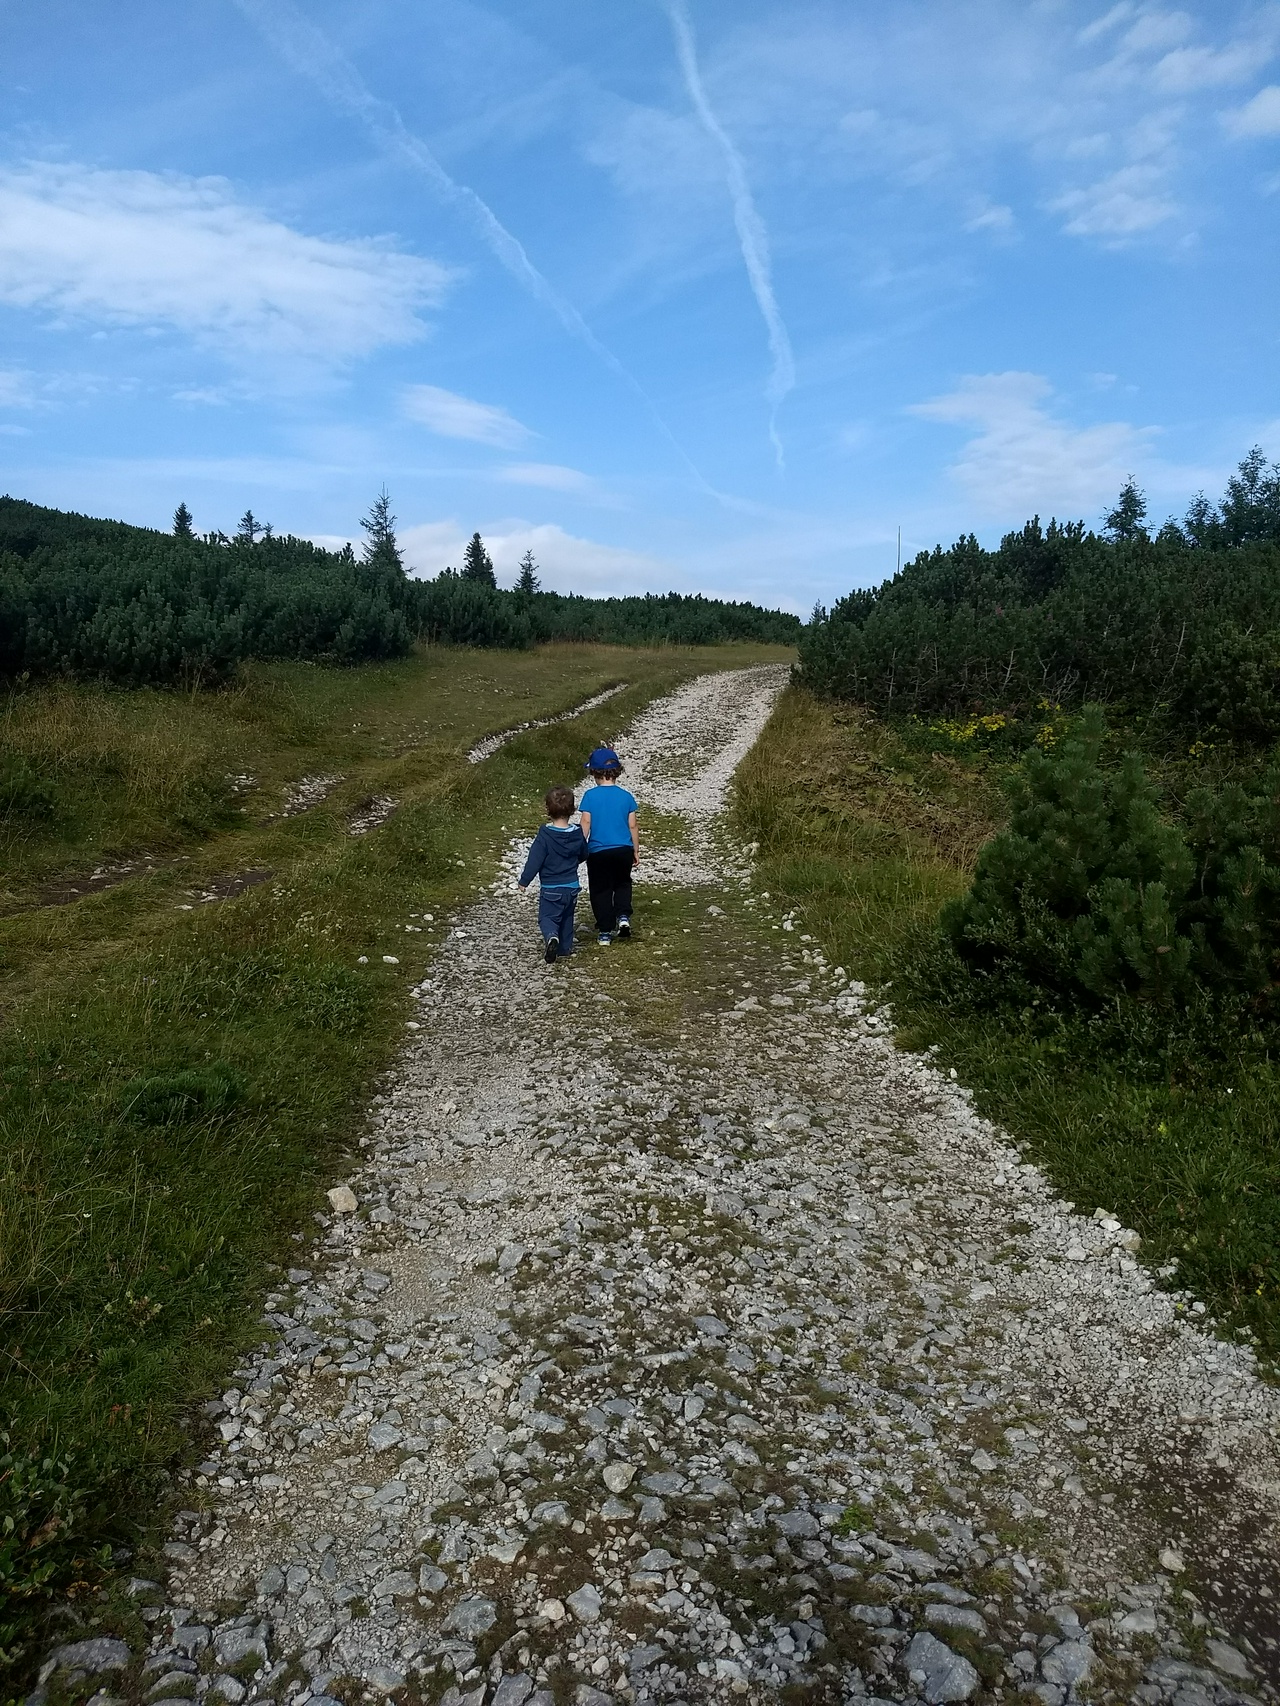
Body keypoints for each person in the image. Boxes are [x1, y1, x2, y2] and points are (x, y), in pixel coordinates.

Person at [518, 785, 586, 963]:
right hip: (571, 887)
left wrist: (524, 880)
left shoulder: (545, 835)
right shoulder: (578, 833)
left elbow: (535, 860)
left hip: (551, 888)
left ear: (547, 809)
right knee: (567, 917)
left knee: (547, 917)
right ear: (572, 809)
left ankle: (551, 937)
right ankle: (564, 948)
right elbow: (584, 854)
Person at [578, 745, 639, 945]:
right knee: (622, 883)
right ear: (616, 772)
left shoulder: (590, 796)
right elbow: (632, 825)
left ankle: (605, 931)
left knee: (600, 889)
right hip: (623, 849)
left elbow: (586, 822)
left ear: (594, 772)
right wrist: (635, 850)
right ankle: (623, 916)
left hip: (598, 851)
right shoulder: (626, 796)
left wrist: (580, 846)